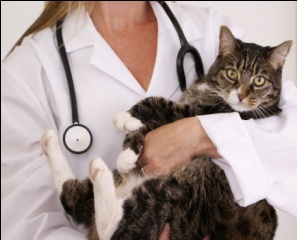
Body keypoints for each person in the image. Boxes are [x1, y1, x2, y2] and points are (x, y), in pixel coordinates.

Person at [1, 1, 297, 239]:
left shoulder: (206, 29)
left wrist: (200, 135)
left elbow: (291, 138)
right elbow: (25, 222)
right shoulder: (26, 70)